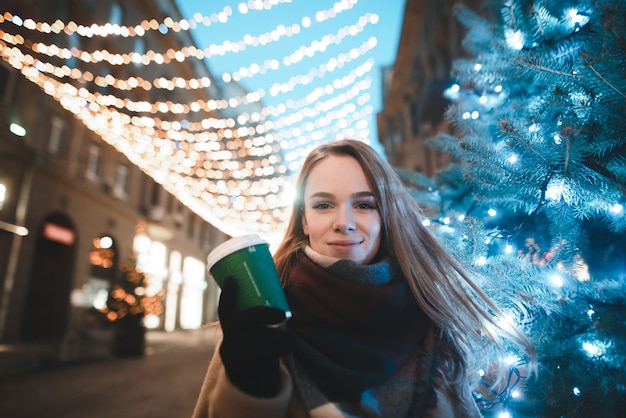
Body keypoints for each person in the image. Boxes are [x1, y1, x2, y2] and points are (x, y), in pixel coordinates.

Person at [192, 139, 536, 417]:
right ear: (305, 220)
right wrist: (248, 389)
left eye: (364, 205)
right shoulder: (264, 319)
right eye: (323, 205)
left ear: (386, 216)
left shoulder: (431, 318)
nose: (344, 222)